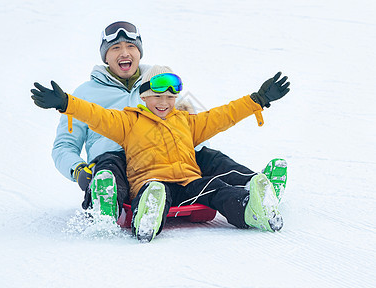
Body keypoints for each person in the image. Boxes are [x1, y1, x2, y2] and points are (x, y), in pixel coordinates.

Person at [49, 20, 287, 223]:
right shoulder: (83, 95)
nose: (124, 53)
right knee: (109, 164)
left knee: (207, 155)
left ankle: (256, 186)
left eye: (131, 46)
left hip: (170, 156)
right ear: (105, 56)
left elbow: (207, 120)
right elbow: (64, 146)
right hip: (120, 160)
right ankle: (106, 202)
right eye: (115, 48)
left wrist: (257, 101)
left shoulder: (160, 80)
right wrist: (78, 169)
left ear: (139, 52)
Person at [31, 65, 291, 242]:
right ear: (144, 97)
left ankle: (252, 210)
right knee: (155, 192)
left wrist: (257, 99)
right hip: (151, 181)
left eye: (169, 97)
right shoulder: (128, 121)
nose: (163, 103)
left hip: (190, 182)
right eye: (156, 96)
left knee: (218, 188)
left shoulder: (186, 121)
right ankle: (147, 219)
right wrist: (66, 103)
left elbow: (223, 115)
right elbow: (96, 115)